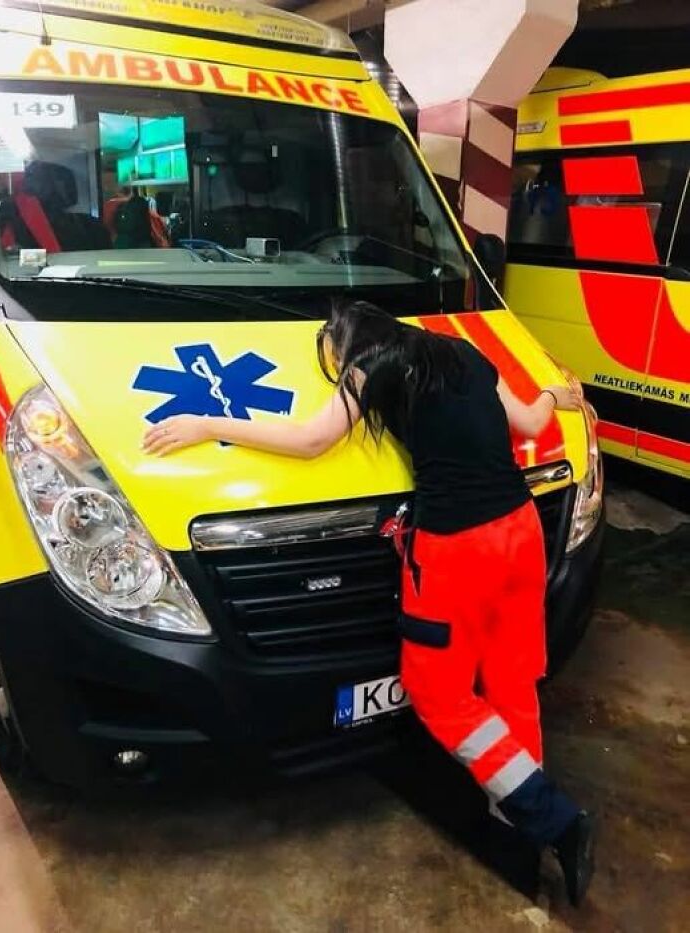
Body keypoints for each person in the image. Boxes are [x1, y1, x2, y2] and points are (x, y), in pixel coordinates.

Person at [142, 300, 596, 906]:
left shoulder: (372, 362)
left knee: (437, 692)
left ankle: (555, 818)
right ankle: (517, 838)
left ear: (344, 341)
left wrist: (207, 423)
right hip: (520, 532)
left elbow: (310, 441)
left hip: (457, 549)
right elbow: (530, 423)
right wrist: (554, 395)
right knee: (511, 683)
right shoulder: (463, 351)